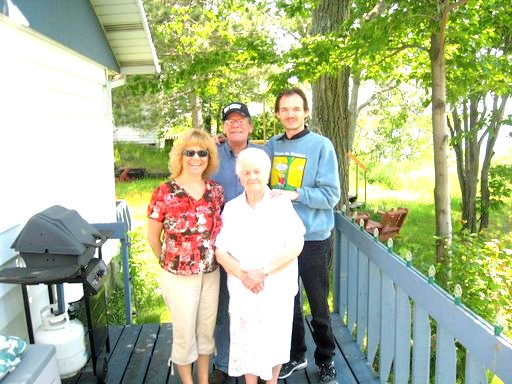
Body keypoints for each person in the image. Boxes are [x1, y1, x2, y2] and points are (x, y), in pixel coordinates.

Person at [266, 88, 341, 384]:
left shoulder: (321, 146)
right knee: (288, 300)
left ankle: (326, 359)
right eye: (284, 109)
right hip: (280, 239)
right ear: (277, 114)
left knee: (318, 302)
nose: (290, 114)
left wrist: (295, 194)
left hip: (312, 238)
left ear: (306, 112)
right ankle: (296, 354)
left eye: (296, 108)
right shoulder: (271, 146)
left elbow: (331, 194)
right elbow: (249, 166)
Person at [214, 147, 305, 384]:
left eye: (257, 171)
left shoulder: (281, 204)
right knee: (246, 340)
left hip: (275, 287)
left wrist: (262, 273)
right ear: (239, 176)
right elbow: (220, 251)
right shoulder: (232, 208)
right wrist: (245, 276)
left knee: (274, 338)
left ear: (267, 174)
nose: (252, 176)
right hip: (244, 287)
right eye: (246, 172)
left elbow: (295, 246)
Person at [147, 128, 224, 384]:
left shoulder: (215, 191)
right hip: (178, 278)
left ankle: (202, 381)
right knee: (184, 335)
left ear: (209, 157)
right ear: (180, 156)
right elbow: (152, 237)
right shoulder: (164, 192)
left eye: (202, 152)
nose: (196, 158)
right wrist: (170, 264)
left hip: (211, 274)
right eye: (189, 152)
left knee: (206, 333)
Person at [209, 102, 267, 384]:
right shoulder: (212, 154)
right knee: (223, 306)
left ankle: (258, 361)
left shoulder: (262, 154)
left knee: (257, 305)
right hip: (222, 246)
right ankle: (223, 361)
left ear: (250, 126)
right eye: (229, 121)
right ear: (223, 127)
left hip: (257, 245)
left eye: (240, 119)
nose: (235, 124)